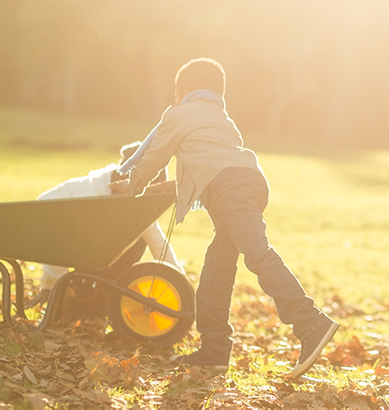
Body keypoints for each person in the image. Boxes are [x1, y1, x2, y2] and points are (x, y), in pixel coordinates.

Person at [116, 58, 338, 376]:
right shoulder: (219, 118)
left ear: (183, 91)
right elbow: (204, 168)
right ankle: (214, 349)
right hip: (246, 183)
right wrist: (162, 189)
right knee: (217, 270)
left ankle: (311, 323)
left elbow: (154, 155)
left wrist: (132, 185)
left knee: (257, 253)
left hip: (230, 190)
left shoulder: (179, 113)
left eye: (176, 94)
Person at [29, 142, 184, 308]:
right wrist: (50, 286)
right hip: (48, 223)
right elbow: (61, 241)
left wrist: (180, 286)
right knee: (93, 246)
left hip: (93, 249)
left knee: (140, 236)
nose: (147, 196)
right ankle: (78, 291)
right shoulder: (90, 195)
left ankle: (104, 293)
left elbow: (158, 242)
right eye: (146, 190)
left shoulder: (132, 200)